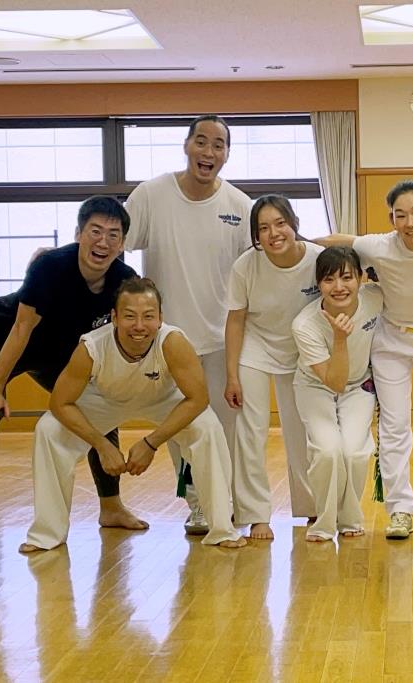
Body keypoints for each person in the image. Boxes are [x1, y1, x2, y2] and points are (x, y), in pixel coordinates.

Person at [0, 196, 145, 559]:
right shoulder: (50, 267)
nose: (103, 242)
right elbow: (21, 330)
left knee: (98, 405)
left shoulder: (124, 280)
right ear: (78, 234)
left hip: (55, 352)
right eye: (95, 231)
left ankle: (111, 507)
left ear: (122, 243)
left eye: (113, 235)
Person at [123, 115, 284, 535]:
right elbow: (116, 244)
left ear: (227, 154)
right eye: (201, 141)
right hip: (167, 342)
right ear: (186, 145)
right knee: (181, 429)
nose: (208, 152)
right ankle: (197, 504)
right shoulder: (151, 195)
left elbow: (260, 266)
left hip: (222, 339)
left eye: (218, 145)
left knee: (226, 429)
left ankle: (224, 501)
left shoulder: (240, 206)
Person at [20, 277, 247, 552]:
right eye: (129, 316)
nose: (139, 326)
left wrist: (151, 443)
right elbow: (59, 403)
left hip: (163, 399)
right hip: (105, 399)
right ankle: (47, 534)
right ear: (114, 318)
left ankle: (221, 528)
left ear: (160, 318)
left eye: (148, 316)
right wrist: (101, 444)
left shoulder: (173, 342)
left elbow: (198, 399)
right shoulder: (91, 347)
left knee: (207, 427)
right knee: (49, 429)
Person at [321, 180, 413, 539]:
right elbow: (336, 241)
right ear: (392, 219)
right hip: (393, 342)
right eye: (400, 215)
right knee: (394, 426)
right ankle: (400, 510)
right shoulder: (380, 247)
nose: (410, 222)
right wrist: (290, 243)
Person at [224, 195, 322, 540]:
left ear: (294, 223)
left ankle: (312, 508)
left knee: (301, 431)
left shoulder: (317, 259)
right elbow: (235, 320)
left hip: (301, 350)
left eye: (280, 223)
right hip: (255, 346)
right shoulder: (245, 266)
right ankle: (255, 515)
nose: (274, 233)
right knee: (250, 431)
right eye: (263, 228)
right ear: (256, 235)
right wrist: (232, 375)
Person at [292, 247, 381, 541]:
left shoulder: (375, 298)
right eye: (329, 280)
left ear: (361, 278)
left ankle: (350, 520)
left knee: (355, 452)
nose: (339, 287)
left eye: (346, 277)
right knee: (328, 451)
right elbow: (334, 382)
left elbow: (408, 288)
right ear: (319, 284)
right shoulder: (305, 324)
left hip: (359, 385)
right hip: (315, 386)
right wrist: (340, 339)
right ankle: (323, 523)